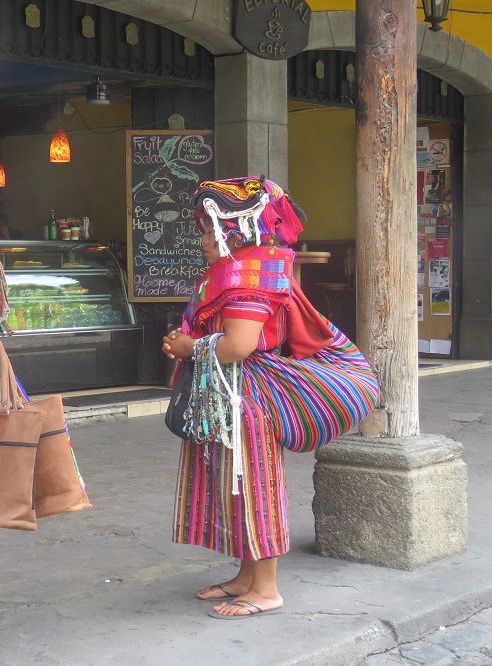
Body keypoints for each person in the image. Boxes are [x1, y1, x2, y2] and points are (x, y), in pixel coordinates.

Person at [161, 176, 376, 620]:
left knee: (255, 487)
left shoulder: (248, 276)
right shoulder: (240, 270)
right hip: (235, 394)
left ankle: (266, 589)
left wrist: (188, 347)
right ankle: (246, 577)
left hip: (251, 400)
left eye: (208, 229)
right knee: (236, 487)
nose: (203, 238)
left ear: (234, 230)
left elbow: (239, 345)